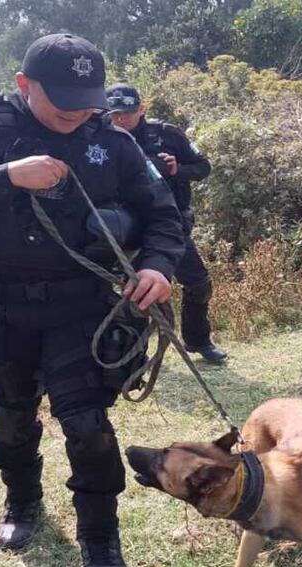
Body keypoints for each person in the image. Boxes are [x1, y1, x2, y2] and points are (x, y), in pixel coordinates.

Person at [0, 33, 185, 567]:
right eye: (63, 102)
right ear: (23, 86)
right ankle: (21, 499)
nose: (77, 114)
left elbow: (162, 214)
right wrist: (6, 175)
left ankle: (101, 540)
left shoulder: (112, 142)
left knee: (87, 426)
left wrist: (158, 266)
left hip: (81, 305)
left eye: (87, 103)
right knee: (11, 417)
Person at [104, 83, 228, 363]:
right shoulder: (101, 139)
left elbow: (203, 166)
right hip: (126, 229)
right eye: (115, 114)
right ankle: (133, 355)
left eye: (127, 113)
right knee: (135, 295)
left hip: (169, 227)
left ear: (142, 109)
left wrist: (178, 169)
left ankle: (198, 341)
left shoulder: (167, 134)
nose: (121, 120)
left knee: (198, 284)